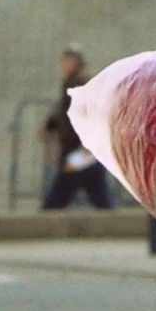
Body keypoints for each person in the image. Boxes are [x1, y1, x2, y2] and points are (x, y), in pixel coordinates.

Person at [42, 46, 111, 211]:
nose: (64, 64)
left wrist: (88, 143)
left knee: (61, 191)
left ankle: (45, 218)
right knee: (97, 192)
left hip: (80, 147)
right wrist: (50, 125)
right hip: (78, 147)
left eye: (67, 60)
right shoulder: (71, 81)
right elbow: (64, 111)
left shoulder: (81, 82)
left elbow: (87, 111)